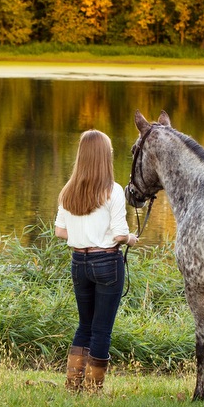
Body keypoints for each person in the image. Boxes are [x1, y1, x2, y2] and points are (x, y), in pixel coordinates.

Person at [54, 129, 137, 393]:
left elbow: (60, 232)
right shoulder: (112, 190)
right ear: (105, 157)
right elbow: (121, 235)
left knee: (84, 326)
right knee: (101, 330)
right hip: (106, 263)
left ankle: (73, 385)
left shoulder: (68, 190)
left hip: (79, 262)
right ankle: (92, 389)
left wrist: (82, 233)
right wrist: (132, 239)